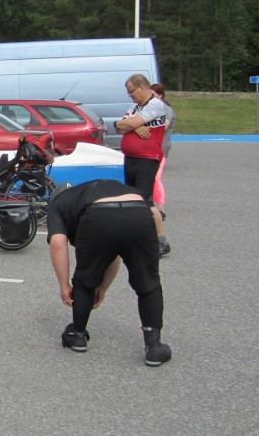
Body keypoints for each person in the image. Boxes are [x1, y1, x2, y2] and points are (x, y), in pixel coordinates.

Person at [47, 179, 172, 367]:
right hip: (139, 212)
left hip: (98, 217)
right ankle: (153, 346)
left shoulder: (58, 203)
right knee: (148, 282)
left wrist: (64, 284)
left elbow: (57, 244)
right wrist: (103, 286)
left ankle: (78, 335)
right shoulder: (105, 188)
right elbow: (114, 251)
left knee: (85, 279)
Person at [115, 74, 171, 257]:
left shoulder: (155, 104)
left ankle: (161, 240)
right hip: (131, 158)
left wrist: (131, 124)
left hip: (147, 159)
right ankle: (135, 238)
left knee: (145, 201)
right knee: (132, 200)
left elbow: (128, 123)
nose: (130, 95)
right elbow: (118, 127)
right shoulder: (135, 107)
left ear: (141, 87)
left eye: (131, 91)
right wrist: (134, 126)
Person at [151, 83, 175, 219]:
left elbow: (162, 128)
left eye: (153, 95)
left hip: (161, 147)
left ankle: (161, 208)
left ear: (160, 95)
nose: (151, 98)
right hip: (152, 146)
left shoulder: (166, 110)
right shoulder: (152, 108)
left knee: (156, 177)